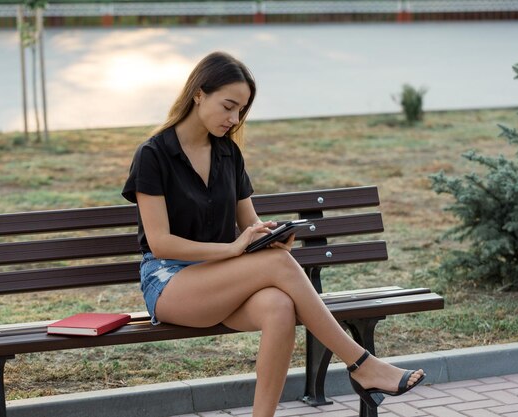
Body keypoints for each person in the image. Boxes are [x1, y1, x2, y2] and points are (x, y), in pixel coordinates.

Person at [122, 51, 425, 416]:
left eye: (242, 111)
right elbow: (160, 242)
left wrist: (267, 236)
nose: (234, 119)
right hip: (169, 281)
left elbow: (249, 225)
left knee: (279, 307)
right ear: (199, 94)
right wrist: (236, 250)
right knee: (279, 265)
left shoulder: (228, 154)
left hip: (221, 281)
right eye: (228, 106)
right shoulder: (154, 154)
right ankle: (362, 364)